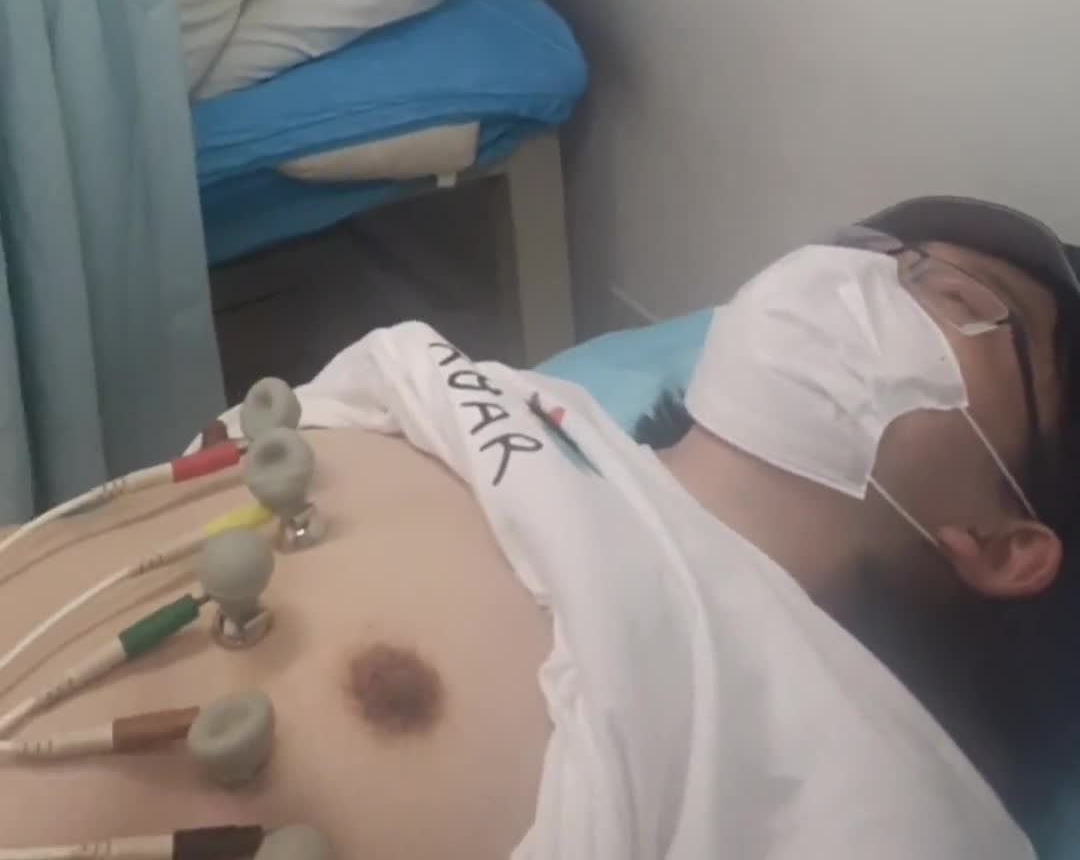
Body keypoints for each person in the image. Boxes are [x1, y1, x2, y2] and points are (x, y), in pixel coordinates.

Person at [2, 194, 1077, 858]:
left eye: (957, 298)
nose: (868, 280)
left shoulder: (871, 777)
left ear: (1005, 544)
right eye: (880, 251)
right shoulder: (475, 389)